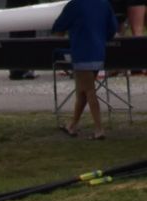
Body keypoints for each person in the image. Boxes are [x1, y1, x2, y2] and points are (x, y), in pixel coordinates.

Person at [52, 0, 118, 139]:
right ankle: (72, 126)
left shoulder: (74, 5)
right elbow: (112, 28)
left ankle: (99, 130)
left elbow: (58, 28)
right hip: (99, 52)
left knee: (88, 90)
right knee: (82, 92)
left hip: (81, 53)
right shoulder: (104, 4)